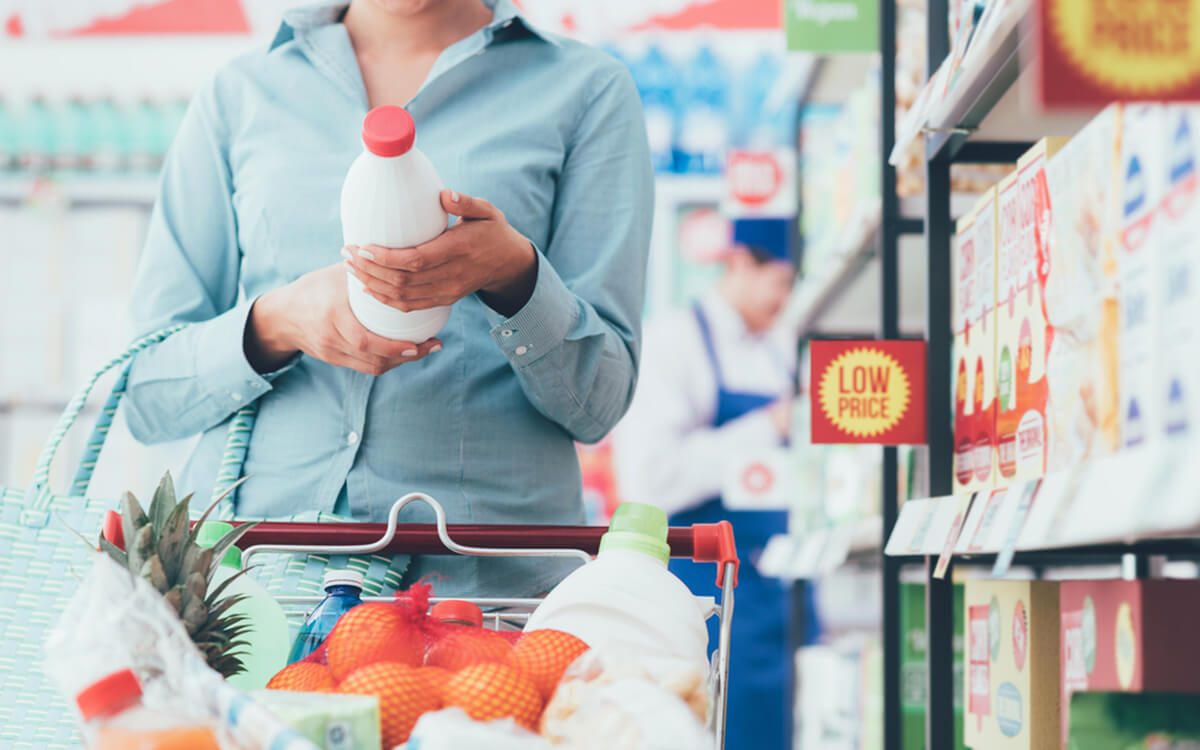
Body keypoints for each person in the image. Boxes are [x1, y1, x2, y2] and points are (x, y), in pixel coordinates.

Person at [122, 0, 653, 597]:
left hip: (481, 599)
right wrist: (274, 325)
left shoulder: (585, 90)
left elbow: (599, 405)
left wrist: (514, 274)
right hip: (253, 595)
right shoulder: (241, 93)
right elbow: (145, 394)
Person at [613, 216, 798, 749]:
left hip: (776, 595)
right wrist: (768, 427)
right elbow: (652, 479)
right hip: (702, 596)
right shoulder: (675, 343)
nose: (785, 299)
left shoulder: (779, 348)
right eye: (780, 282)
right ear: (739, 263)